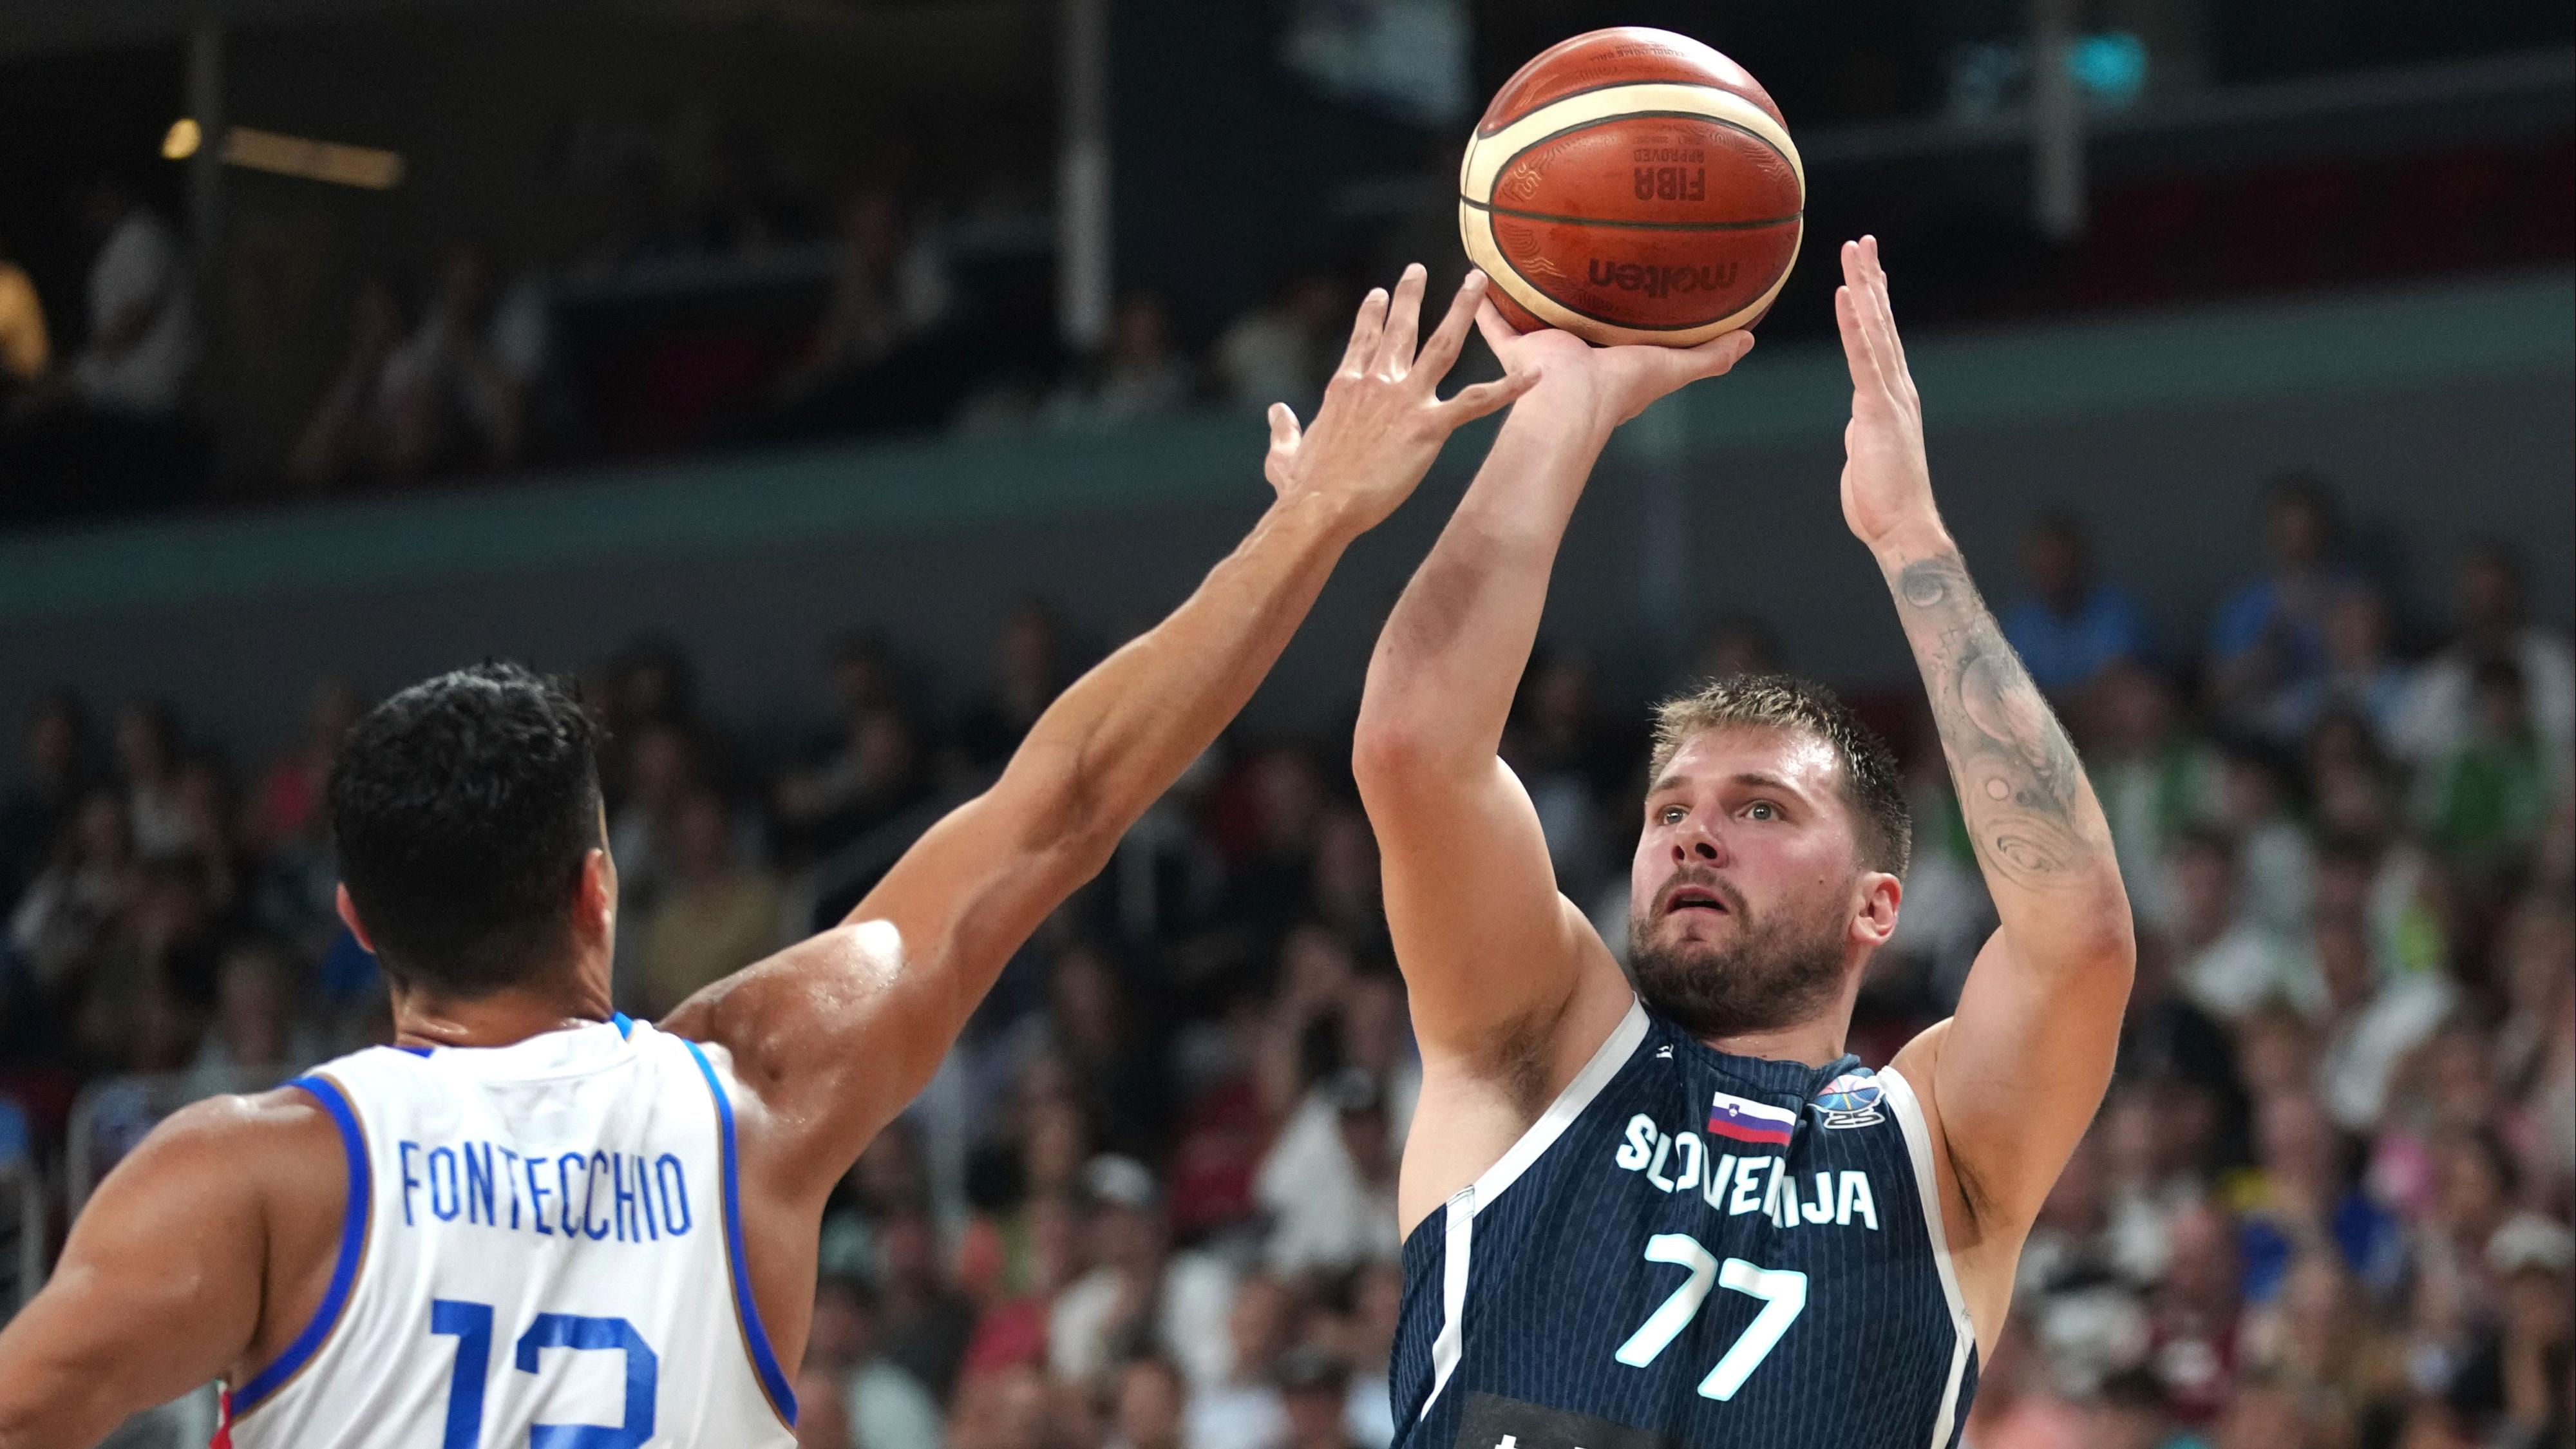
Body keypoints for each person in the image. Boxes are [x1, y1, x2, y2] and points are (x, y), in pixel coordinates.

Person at [0, 263, 1539, 1448]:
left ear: (354, 920)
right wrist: (1311, 520)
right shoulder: (754, 1098)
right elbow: (1065, 801)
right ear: (597, 885)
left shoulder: (249, 1174)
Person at [1353, 238, 2135, 1445]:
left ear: (1879, 904)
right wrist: (1559, 416)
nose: (1694, 838)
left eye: (1760, 808)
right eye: (1669, 811)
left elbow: (2078, 935)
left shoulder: (1938, 1147)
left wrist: (1912, 541)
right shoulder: (1544, 1045)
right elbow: (1416, 749)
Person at [2000, 512, 2146, 697]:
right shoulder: (2021, 622)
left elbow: (2117, 678)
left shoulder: (2113, 610)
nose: (2054, 573)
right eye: (2045, 563)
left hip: (2100, 709)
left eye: (2060, 561)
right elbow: (2010, 688)